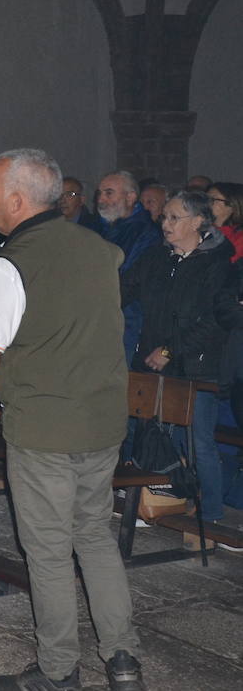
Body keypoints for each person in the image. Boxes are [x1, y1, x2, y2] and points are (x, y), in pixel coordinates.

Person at [0, 148, 145, 691]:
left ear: (17, 199)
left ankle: (57, 673)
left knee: (48, 553)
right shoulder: (99, 249)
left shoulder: (10, 264)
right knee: (94, 536)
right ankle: (123, 662)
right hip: (100, 423)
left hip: (46, 431)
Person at [122, 190, 243, 533]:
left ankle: (212, 514)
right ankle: (152, 499)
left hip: (195, 366)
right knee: (147, 432)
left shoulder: (218, 265)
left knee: (198, 440)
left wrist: (171, 350)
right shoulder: (156, 257)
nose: (166, 224)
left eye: (175, 218)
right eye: (164, 217)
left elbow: (214, 321)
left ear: (198, 222)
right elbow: (123, 289)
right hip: (150, 360)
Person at [96, 170, 163, 364]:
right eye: (99, 193)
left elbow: (130, 277)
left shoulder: (146, 232)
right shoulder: (97, 227)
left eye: (109, 193)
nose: (101, 199)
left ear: (131, 196)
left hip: (126, 319)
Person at [206, 181, 243, 261]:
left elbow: (229, 264)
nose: (206, 203)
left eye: (212, 199)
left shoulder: (240, 237)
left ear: (232, 205)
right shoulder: (202, 230)